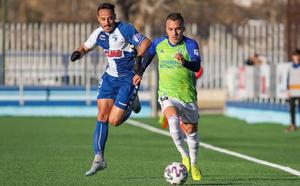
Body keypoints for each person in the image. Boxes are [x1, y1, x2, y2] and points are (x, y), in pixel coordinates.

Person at [70, 2, 151, 176]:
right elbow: (85, 46)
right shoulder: (98, 33)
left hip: (127, 79)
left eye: (110, 18)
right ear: (98, 19)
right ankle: (99, 158)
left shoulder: (125, 29)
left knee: (115, 121)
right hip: (109, 78)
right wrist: (78, 53)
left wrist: (138, 59)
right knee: (102, 116)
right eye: (103, 19)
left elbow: (146, 43)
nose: (107, 22)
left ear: (115, 17)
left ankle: (132, 101)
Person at [137, 13, 202, 181]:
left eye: (178, 29)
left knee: (191, 132)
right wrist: (139, 73)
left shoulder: (190, 44)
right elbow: (146, 59)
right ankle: (184, 156)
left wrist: (184, 62)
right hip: (167, 94)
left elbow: (196, 66)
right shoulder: (159, 43)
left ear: (183, 29)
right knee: (172, 121)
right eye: (171, 29)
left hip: (187, 96)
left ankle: (193, 164)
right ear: (166, 29)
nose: (174, 32)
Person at [286, 49, 300, 132]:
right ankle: (293, 124)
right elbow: (288, 79)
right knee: (292, 109)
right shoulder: (290, 67)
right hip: (292, 91)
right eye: (294, 55)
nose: (295, 57)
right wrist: (288, 90)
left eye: (296, 55)